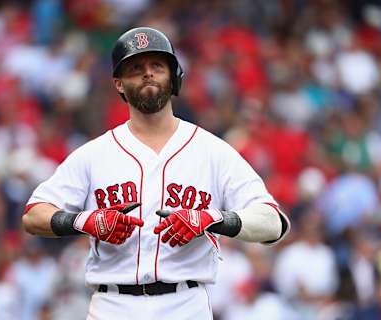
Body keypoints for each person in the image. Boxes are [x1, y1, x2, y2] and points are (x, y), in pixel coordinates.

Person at [22, 26, 290, 320]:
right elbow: (33, 216)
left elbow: (273, 223)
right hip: (113, 305)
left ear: (174, 77)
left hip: (186, 303)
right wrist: (84, 220)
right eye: (135, 68)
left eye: (157, 66)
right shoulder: (94, 154)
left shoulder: (212, 150)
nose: (147, 73)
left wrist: (213, 219)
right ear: (119, 84)